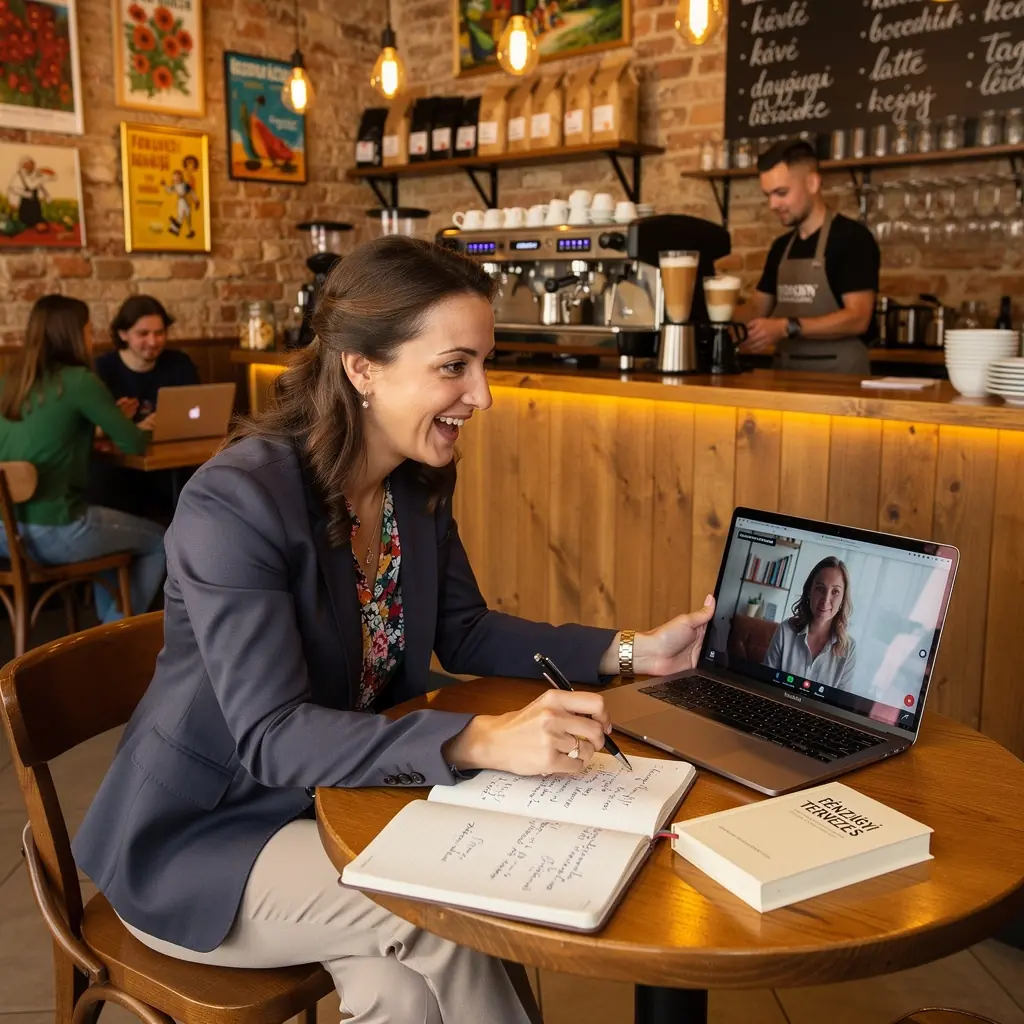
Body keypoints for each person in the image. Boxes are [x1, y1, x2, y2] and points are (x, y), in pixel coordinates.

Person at [73, 237, 717, 1024]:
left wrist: (631, 652)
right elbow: (273, 736)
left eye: (482, 363)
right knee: (451, 919)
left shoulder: (414, 482)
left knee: (403, 997)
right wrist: (477, 740)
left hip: (336, 801)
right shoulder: (236, 503)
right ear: (363, 369)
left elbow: (466, 631)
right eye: (455, 366)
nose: (481, 396)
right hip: (206, 837)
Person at [0, 295, 167, 624]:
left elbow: (46, 436)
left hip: (4, 533)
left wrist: (102, 423)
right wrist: (135, 425)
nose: (91, 337)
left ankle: (101, 632)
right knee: (162, 541)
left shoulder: (9, 382)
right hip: (54, 530)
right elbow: (132, 442)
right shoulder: (79, 381)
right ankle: (112, 637)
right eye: (89, 330)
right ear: (74, 334)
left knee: (112, 542)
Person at [741, 139, 881, 375]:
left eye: (781, 193)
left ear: (813, 183)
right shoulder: (781, 248)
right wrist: (716, 316)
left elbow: (858, 317)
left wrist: (788, 327)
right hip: (786, 378)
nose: (773, 204)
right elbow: (757, 307)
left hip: (841, 382)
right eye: (768, 195)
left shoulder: (852, 239)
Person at [92, 295, 200, 519]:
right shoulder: (103, 369)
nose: (153, 341)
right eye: (143, 334)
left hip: (175, 467)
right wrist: (136, 427)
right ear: (123, 334)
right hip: (121, 475)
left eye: (159, 333)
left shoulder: (179, 363)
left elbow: (197, 410)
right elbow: (94, 430)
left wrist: (168, 422)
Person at [764, 556, 857, 691]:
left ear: (843, 599)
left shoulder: (849, 649)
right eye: (820, 588)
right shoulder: (785, 630)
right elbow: (765, 684)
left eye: (835, 592)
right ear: (809, 592)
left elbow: (840, 704)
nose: (825, 600)